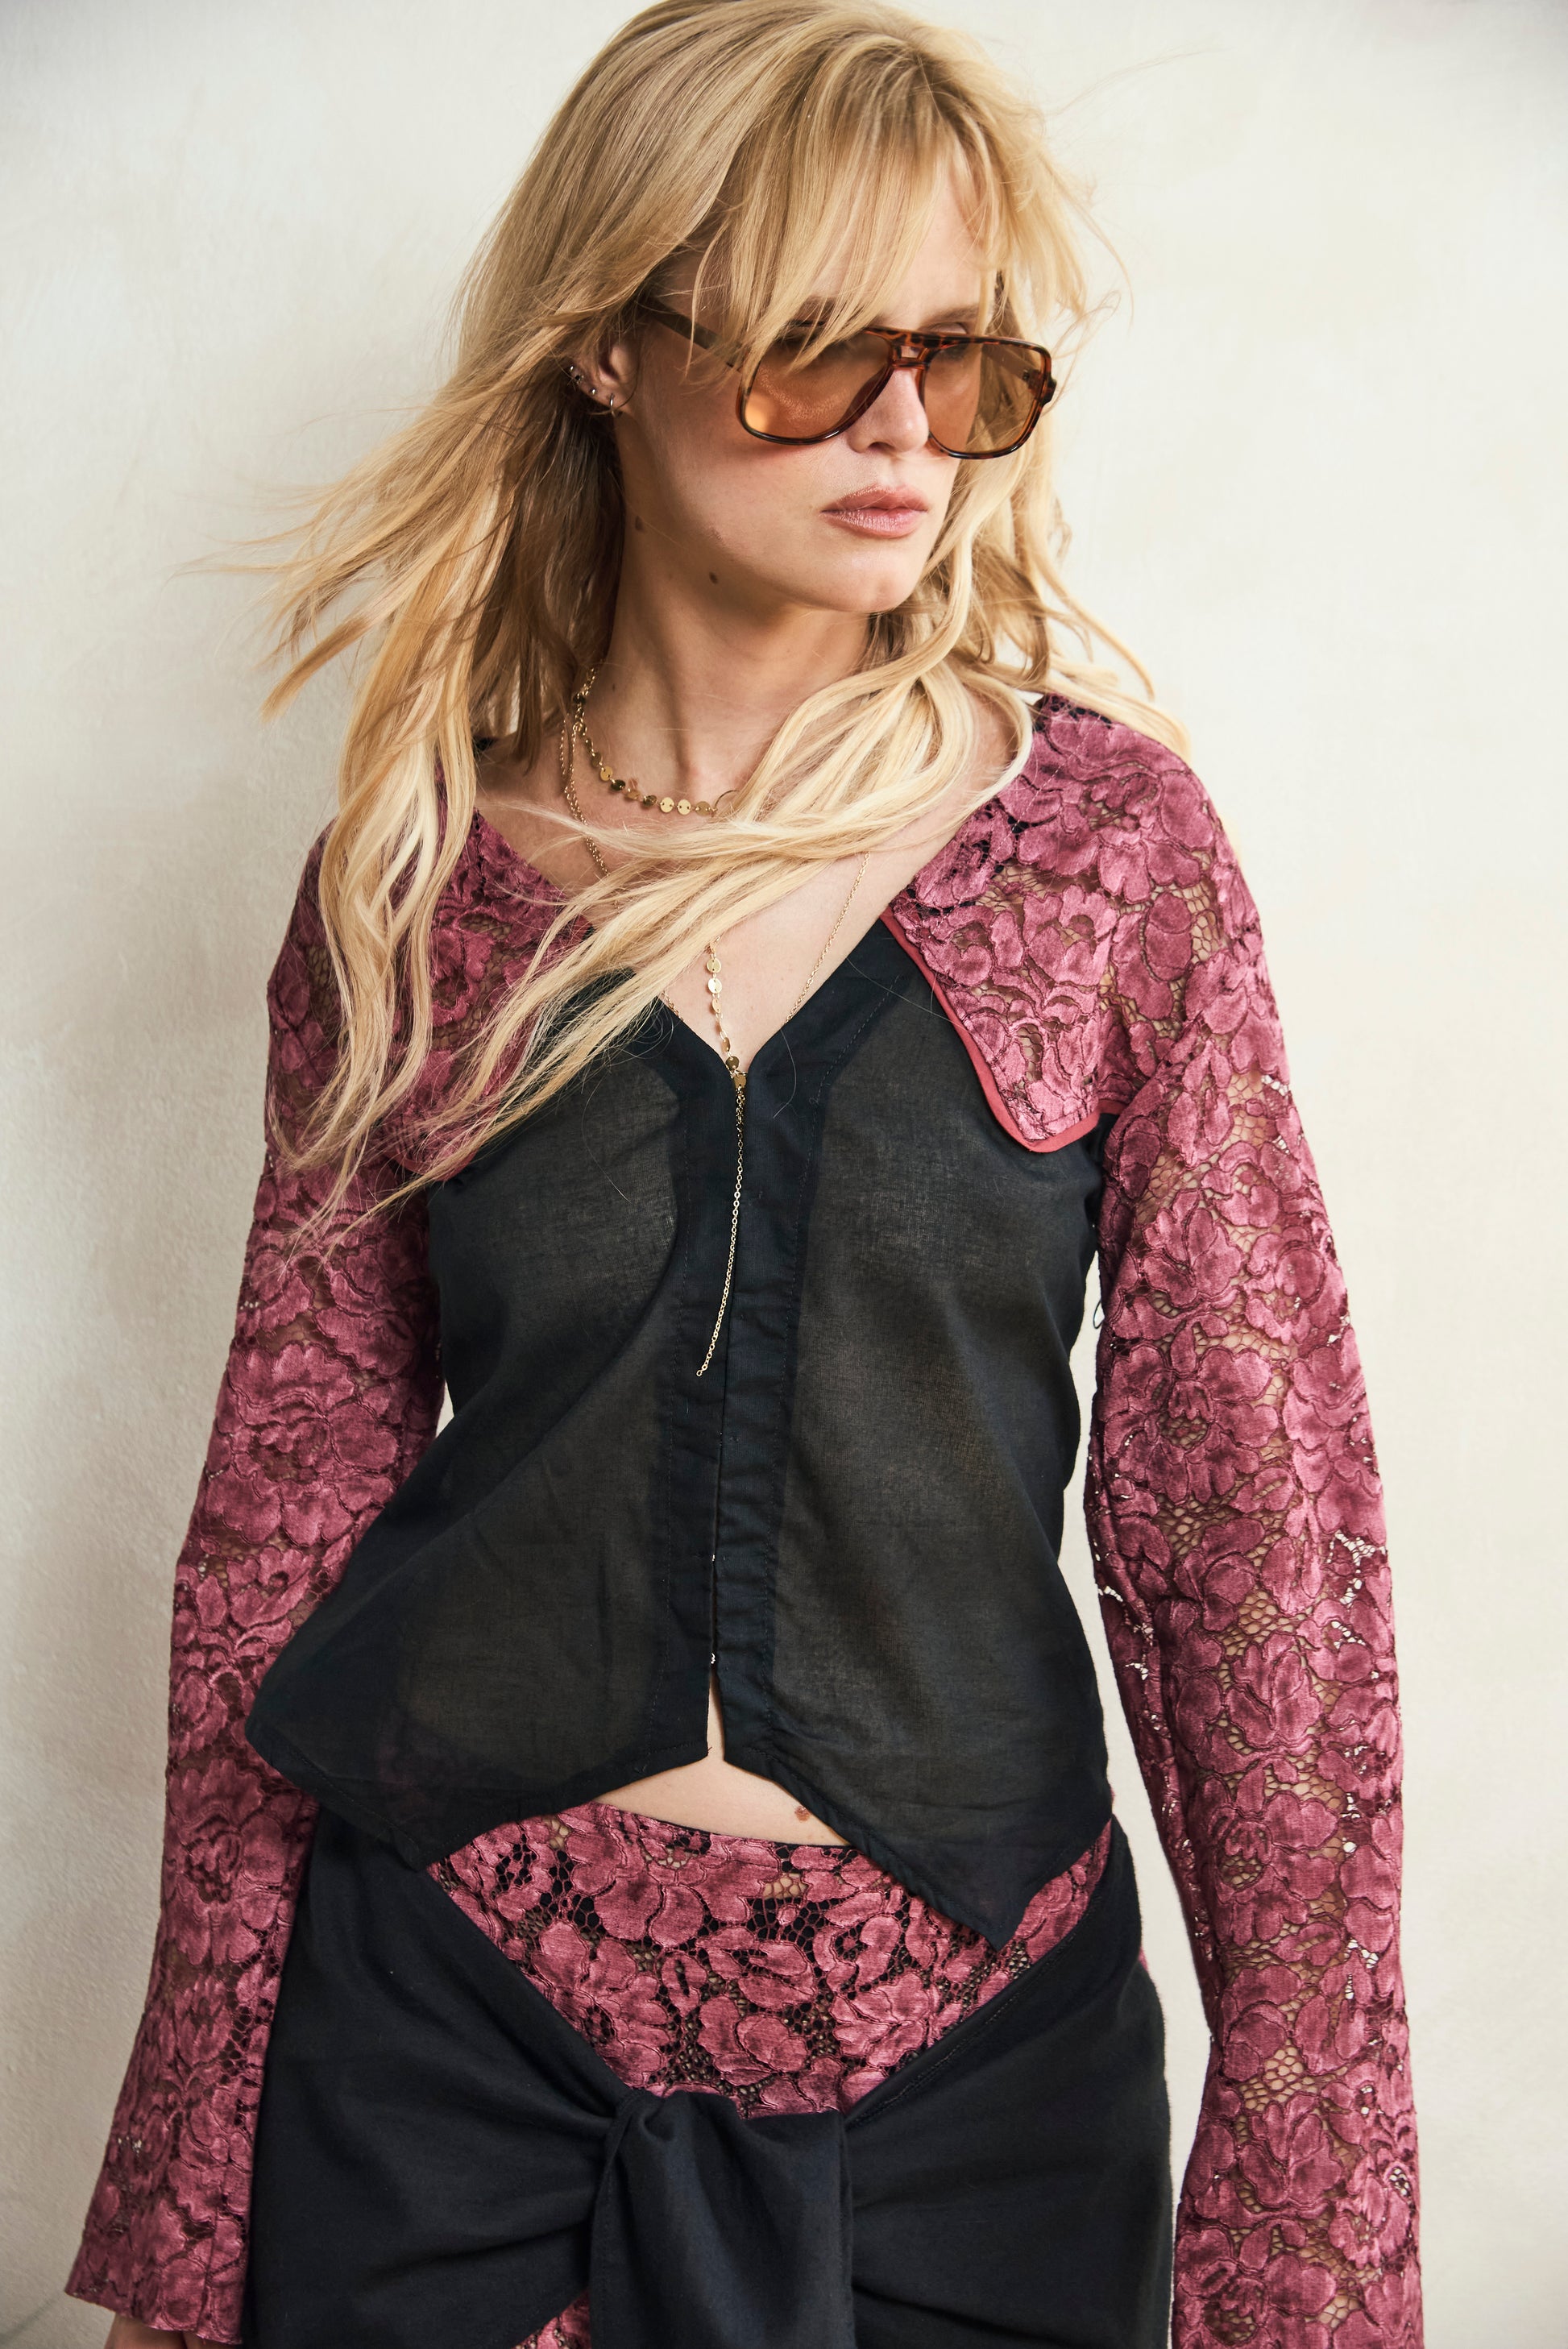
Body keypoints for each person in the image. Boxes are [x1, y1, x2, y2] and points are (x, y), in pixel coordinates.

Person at [70, 3, 1421, 2343]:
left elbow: (1257, 1546)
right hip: (451, 2050)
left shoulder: (1106, 859)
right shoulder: (417, 887)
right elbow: (278, 1533)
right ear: (613, 346)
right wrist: (190, 2224)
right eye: (817, 348)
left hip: (980, 2087)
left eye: (964, 362)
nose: (907, 430)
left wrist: (1305, 2251)